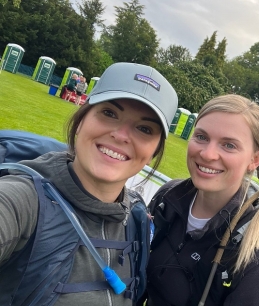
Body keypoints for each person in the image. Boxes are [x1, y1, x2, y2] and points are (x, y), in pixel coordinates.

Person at [0, 62, 178, 305]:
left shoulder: (136, 216)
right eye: (109, 113)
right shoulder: (22, 201)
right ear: (82, 116)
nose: (121, 135)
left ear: (154, 151)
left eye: (144, 128)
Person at [143, 94, 259, 306]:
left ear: (254, 160)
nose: (208, 154)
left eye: (229, 145)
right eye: (201, 137)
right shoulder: (168, 199)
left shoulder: (258, 259)